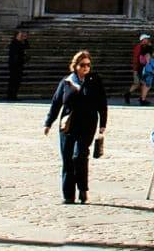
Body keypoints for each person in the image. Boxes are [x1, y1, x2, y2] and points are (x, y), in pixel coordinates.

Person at [43, 50, 109, 204]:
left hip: (87, 124)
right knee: (67, 159)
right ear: (75, 66)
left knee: (79, 156)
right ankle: (68, 195)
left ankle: (83, 189)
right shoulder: (66, 82)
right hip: (68, 125)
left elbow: (102, 102)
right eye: (83, 65)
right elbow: (56, 103)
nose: (86, 68)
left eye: (88, 65)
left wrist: (103, 124)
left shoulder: (94, 80)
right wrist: (48, 123)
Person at [127, 33, 154, 105]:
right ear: (143, 40)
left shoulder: (143, 47)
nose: (148, 40)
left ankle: (139, 98)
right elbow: (139, 58)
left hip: (139, 68)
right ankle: (140, 98)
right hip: (139, 68)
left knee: (138, 84)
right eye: (146, 39)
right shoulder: (140, 47)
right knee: (141, 83)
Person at [6, 28, 29, 102]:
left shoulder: (21, 42)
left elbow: (27, 47)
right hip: (14, 65)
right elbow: (14, 55)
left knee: (17, 81)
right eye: (20, 35)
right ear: (16, 36)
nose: (22, 36)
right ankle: (11, 95)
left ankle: (14, 95)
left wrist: (25, 39)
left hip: (19, 64)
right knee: (13, 80)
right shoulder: (14, 43)